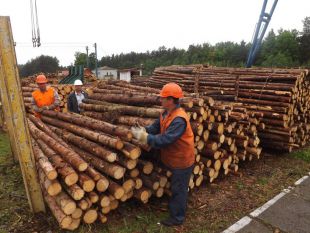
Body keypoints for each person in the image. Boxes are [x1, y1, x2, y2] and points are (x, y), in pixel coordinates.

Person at [131, 83, 195, 227]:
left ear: (171, 100)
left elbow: (166, 140)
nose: (161, 100)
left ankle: (177, 218)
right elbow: (155, 127)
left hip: (182, 160)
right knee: (177, 187)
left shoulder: (179, 119)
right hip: (171, 157)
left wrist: (144, 138)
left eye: (163, 98)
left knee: (178, 189)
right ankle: (180, 202)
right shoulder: (166, 112)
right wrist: (144, 130)